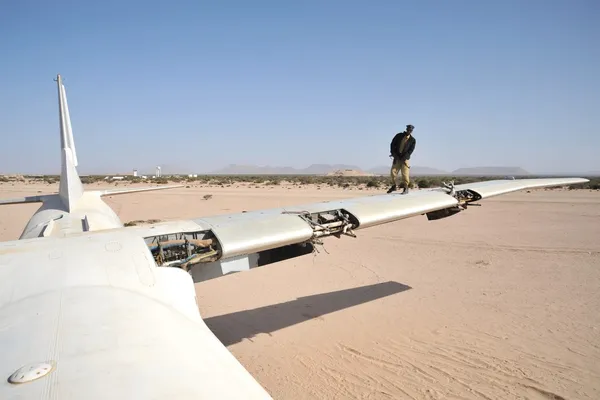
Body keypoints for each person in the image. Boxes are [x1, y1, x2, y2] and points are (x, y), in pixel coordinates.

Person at [387, 124, 416, 194]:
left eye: (411, 130)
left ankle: (406, 188)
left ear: (412, 131)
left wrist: (404, 158)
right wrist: (394, 154)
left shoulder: (413, 140)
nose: (409, 131)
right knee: (393, 172)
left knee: (405, 174)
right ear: (406, 129)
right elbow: (392, 144)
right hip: (397, 157)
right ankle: (394, 186)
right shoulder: (399, 135)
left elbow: (410, 151)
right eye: (408, 129)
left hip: (405, 159)